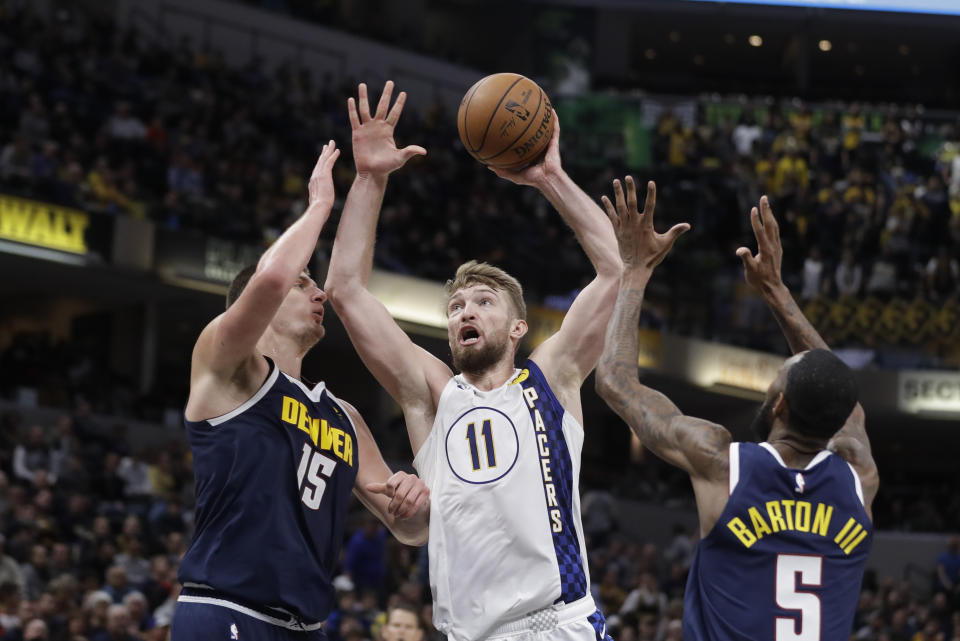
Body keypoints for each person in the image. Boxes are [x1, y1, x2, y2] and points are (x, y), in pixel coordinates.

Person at [325, 81, 620, 641]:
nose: (467, 309)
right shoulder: (434, 396)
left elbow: (615, 270)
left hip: (556, 625)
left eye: (484, 302)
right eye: (457, 304)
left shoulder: (552, 378)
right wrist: (369, 178)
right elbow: (344, 290)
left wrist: (549, 177)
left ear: (517, 328)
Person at [171, 141, 430, 640]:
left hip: (307, 627)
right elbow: (269, 279)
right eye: (304, 283)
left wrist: (413, 505)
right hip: (226, 609)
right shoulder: (227, 369)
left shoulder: (344, 416)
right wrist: (318, 207)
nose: (319, 293)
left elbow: (410, 532)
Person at [595, 185, 879, 641]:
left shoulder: (724, 463)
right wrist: (775, 290)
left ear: (780, 404)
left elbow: (614, 380)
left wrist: (635, 270)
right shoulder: (857, 478)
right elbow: (845, 399)